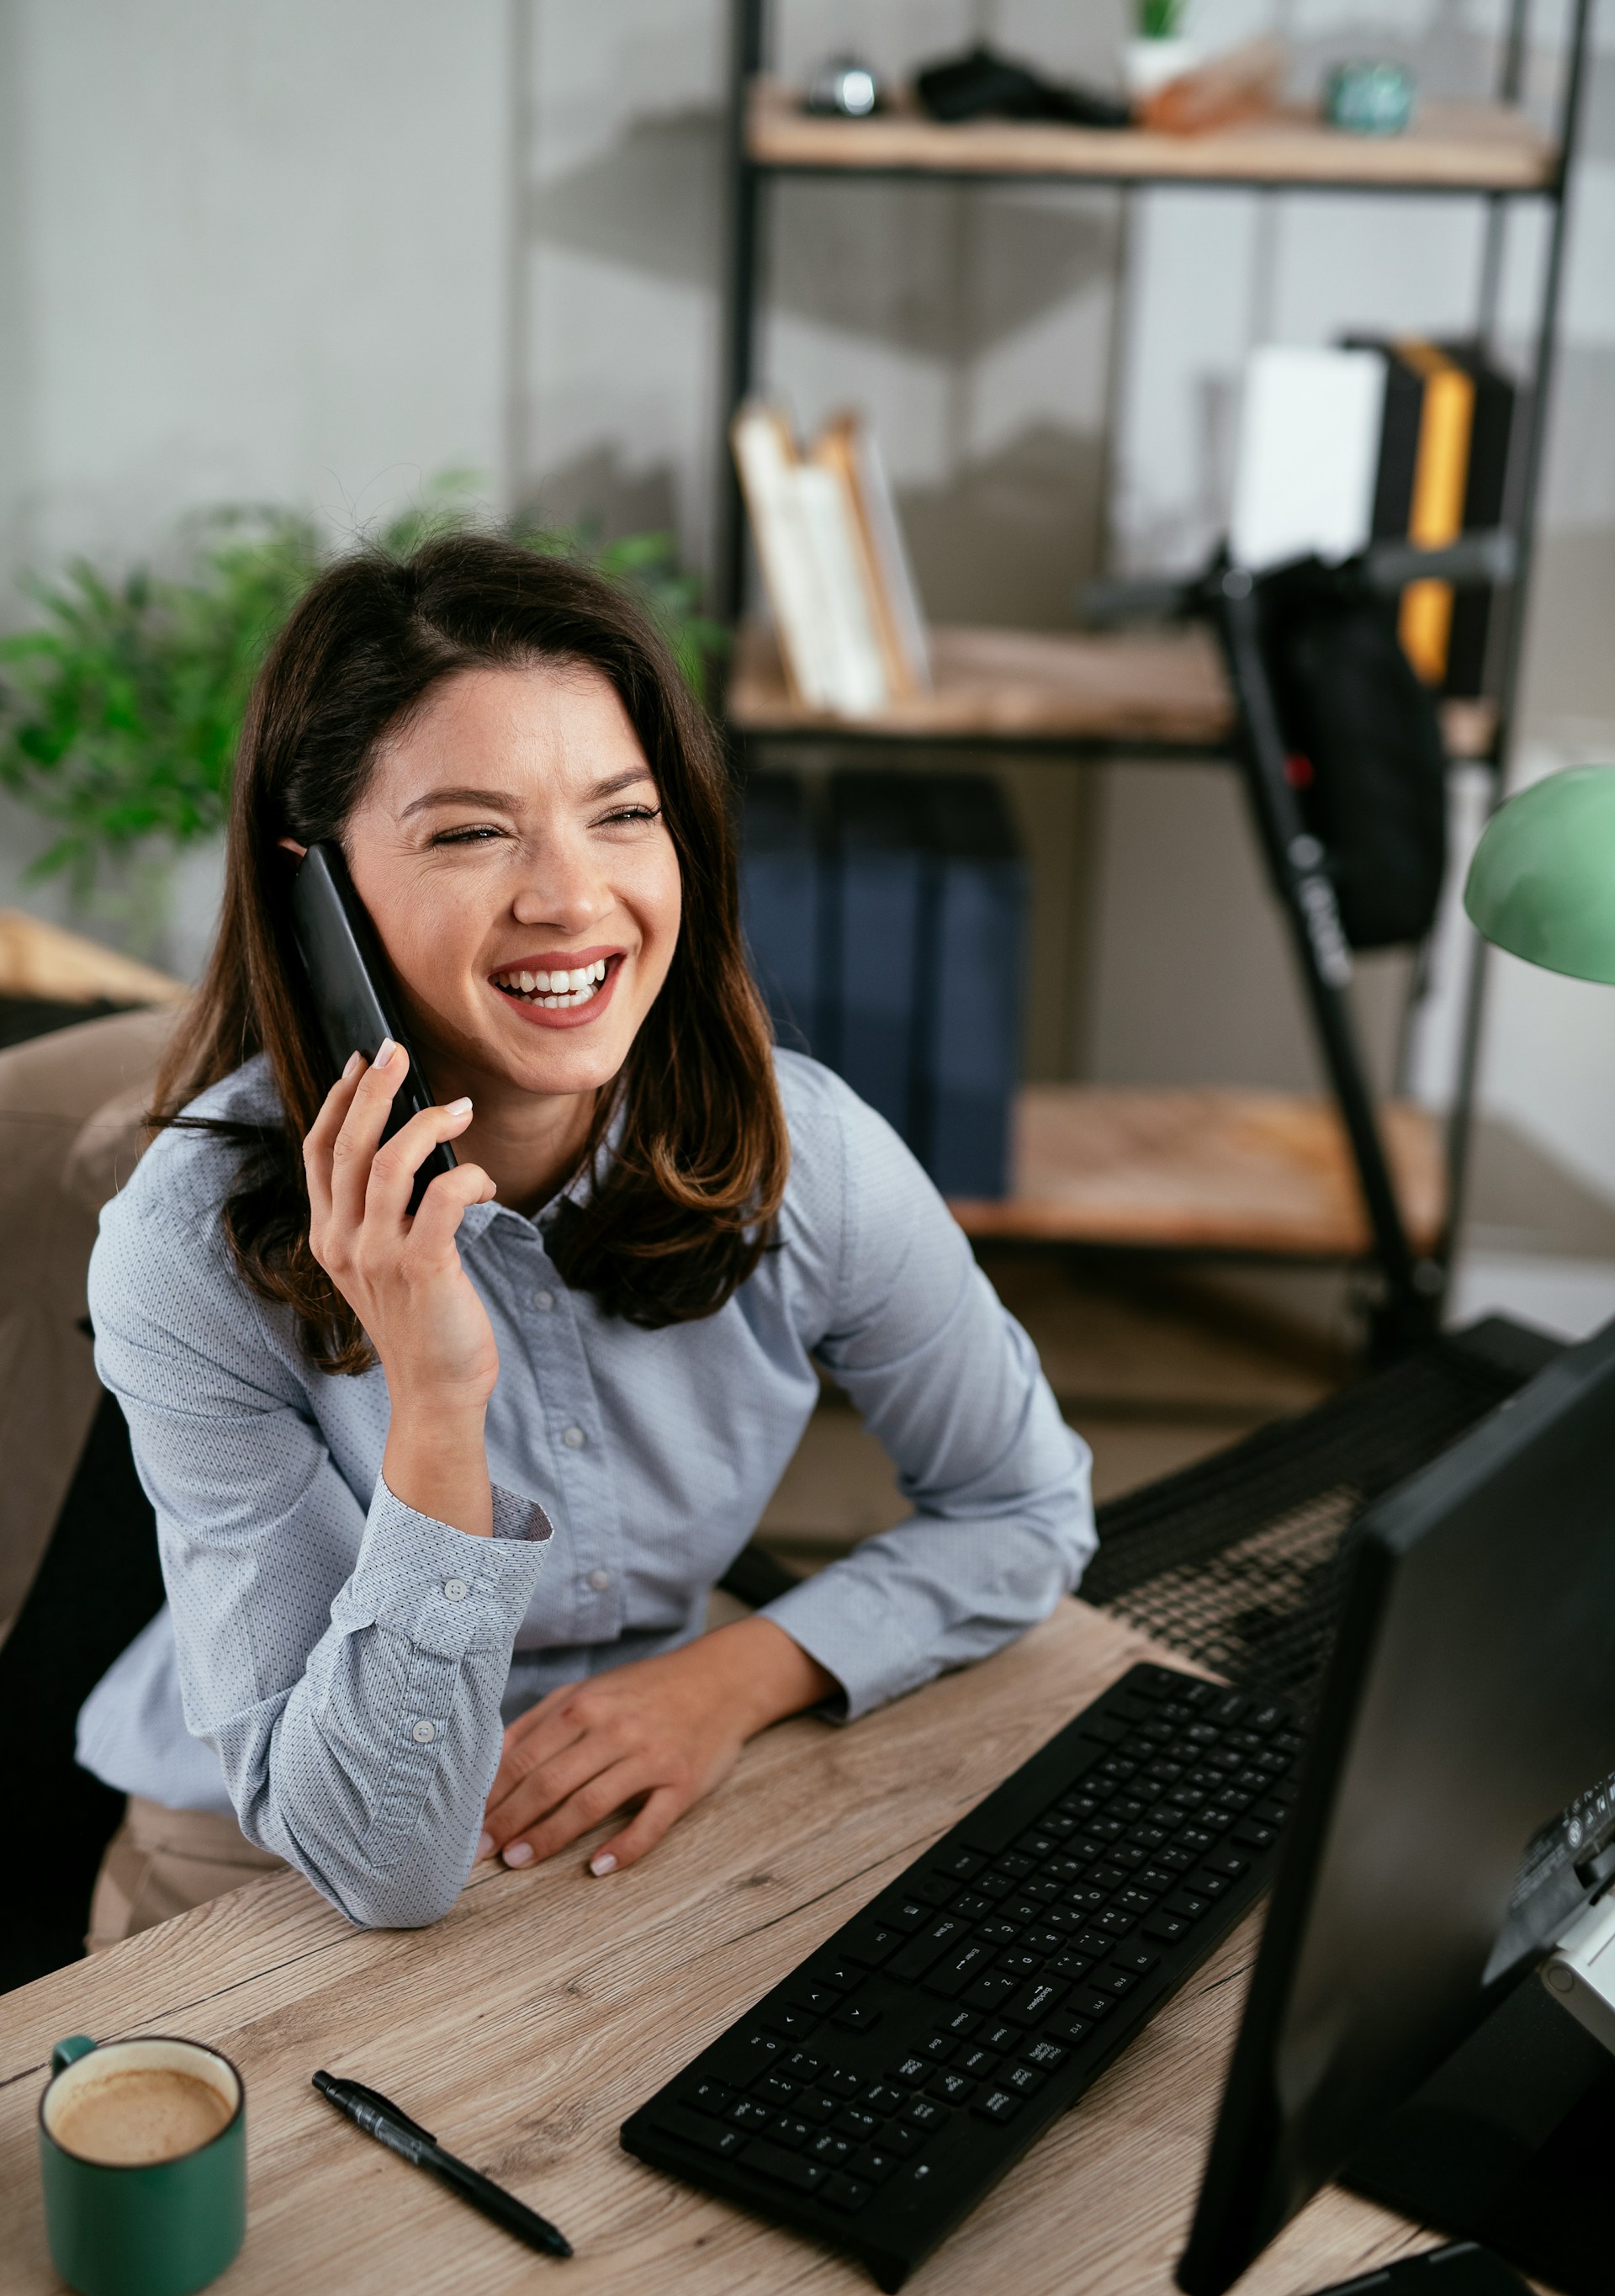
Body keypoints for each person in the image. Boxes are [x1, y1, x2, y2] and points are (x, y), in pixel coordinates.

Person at [78, 534, 1095, 1937]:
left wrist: (731, 1678)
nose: (572, 898)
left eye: (623, 814)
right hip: (264, 1879)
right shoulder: (183, 1252)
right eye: (471, 832)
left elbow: (1027, 1507)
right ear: (322, 894)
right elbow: (374, 1862)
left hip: (636, 1801)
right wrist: (437, 1400)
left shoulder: (808, 1155)